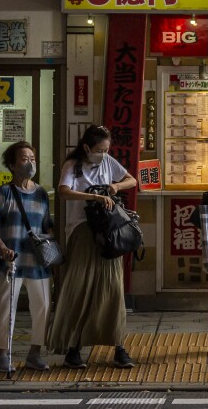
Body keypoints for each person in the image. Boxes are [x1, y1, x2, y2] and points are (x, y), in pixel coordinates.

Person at [46, 125, 138, 369]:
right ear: (86, 147)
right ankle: (73, 348)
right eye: (99, 150)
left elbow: (132, 180)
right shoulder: (72, 165)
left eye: (106, 149)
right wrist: (94, 197)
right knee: (81, 286)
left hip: (108, 232)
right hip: (82, 231)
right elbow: (64, 192)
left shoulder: (108, 162)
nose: (103, 154)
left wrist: (116, 187)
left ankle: (118, 345)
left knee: (112, 287)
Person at [0, 141, 53, 373]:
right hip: (10, 261)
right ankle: (1, 354)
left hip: (37, 263)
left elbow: (46, 227)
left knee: (43, 306)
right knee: (6, 307)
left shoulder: (42, 193)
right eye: (24, 159)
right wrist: (2, 248)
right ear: (12, 165)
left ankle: (35, 353)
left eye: (32, 158)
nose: (30, 162)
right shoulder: (5, 192)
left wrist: (49, 253)